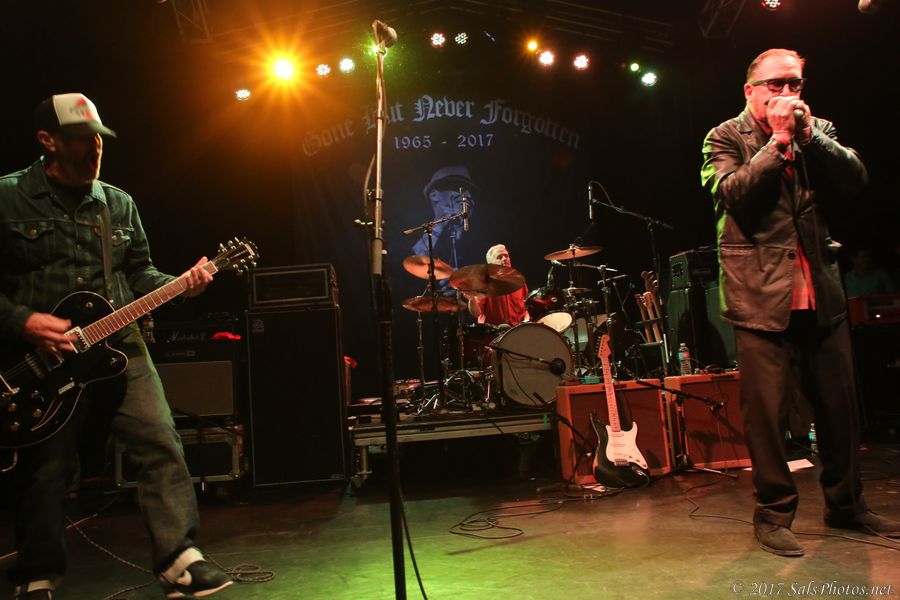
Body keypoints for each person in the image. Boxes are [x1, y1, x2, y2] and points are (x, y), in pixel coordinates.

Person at [0, 94, 232, 598]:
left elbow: (140, 274)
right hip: (44, 359)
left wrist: (182, 284)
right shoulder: (8, 197)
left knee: (160, 440)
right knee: (48, 467)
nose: (95, 149)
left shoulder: (117, 203)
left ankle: (179, 561)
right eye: (81, 139)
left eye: (99, 139)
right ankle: (36, 576)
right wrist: (24, 321)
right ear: (48, 141)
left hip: (118, 343)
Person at [700, 49, 900, 556]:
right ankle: (773, 514)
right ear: (750, 90)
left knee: (839, 406)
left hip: (821, 291)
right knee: (767, 416)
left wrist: (808, 136)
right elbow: (733, 194)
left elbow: (856, 179)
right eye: (776, 84)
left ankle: (847, 505)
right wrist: (777, 142)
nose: (787, 94)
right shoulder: (725, 136)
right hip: (759, 296)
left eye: (795, 84)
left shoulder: (818, 130)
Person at [411, 165, 477, 270]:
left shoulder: (478, 242)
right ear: (434, 196)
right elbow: (412, 264)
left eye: (471, 193)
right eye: (459, 188)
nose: (468, 195)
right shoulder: (412, 237)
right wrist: (440, 224)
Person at [465, 244, 529, 327]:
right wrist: (472, 299)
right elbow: (476, 314)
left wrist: (527, 318)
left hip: (518, 329)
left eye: (506, 256)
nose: (505, 259)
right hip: (493, 332)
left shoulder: (519, 282)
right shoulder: (483, 284)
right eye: (499, 257)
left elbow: (527, 306)